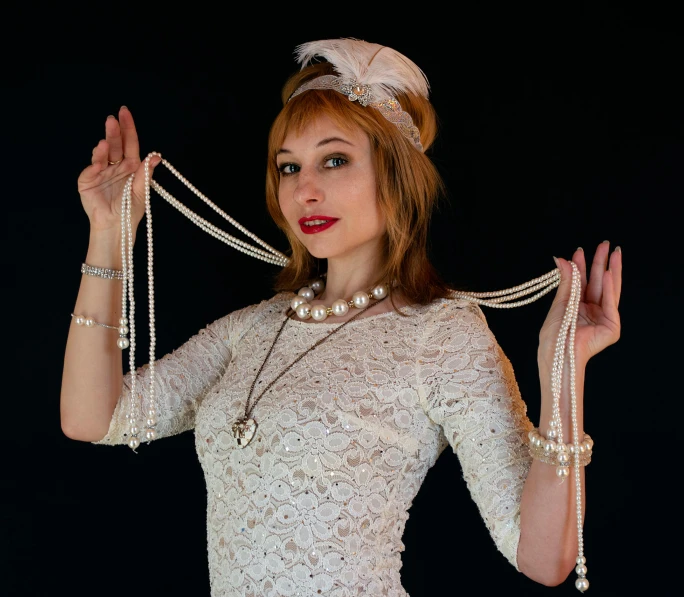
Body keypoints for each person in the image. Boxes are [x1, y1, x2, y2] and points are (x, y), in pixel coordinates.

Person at [60, 38, 622, 596]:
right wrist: (108, 235)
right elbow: (95, 418)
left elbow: (543, 558)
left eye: (335, 160)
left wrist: (563, 372)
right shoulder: (253, 328)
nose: (305, 189)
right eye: (288, 167)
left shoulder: (441, 332)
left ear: (396, 177)